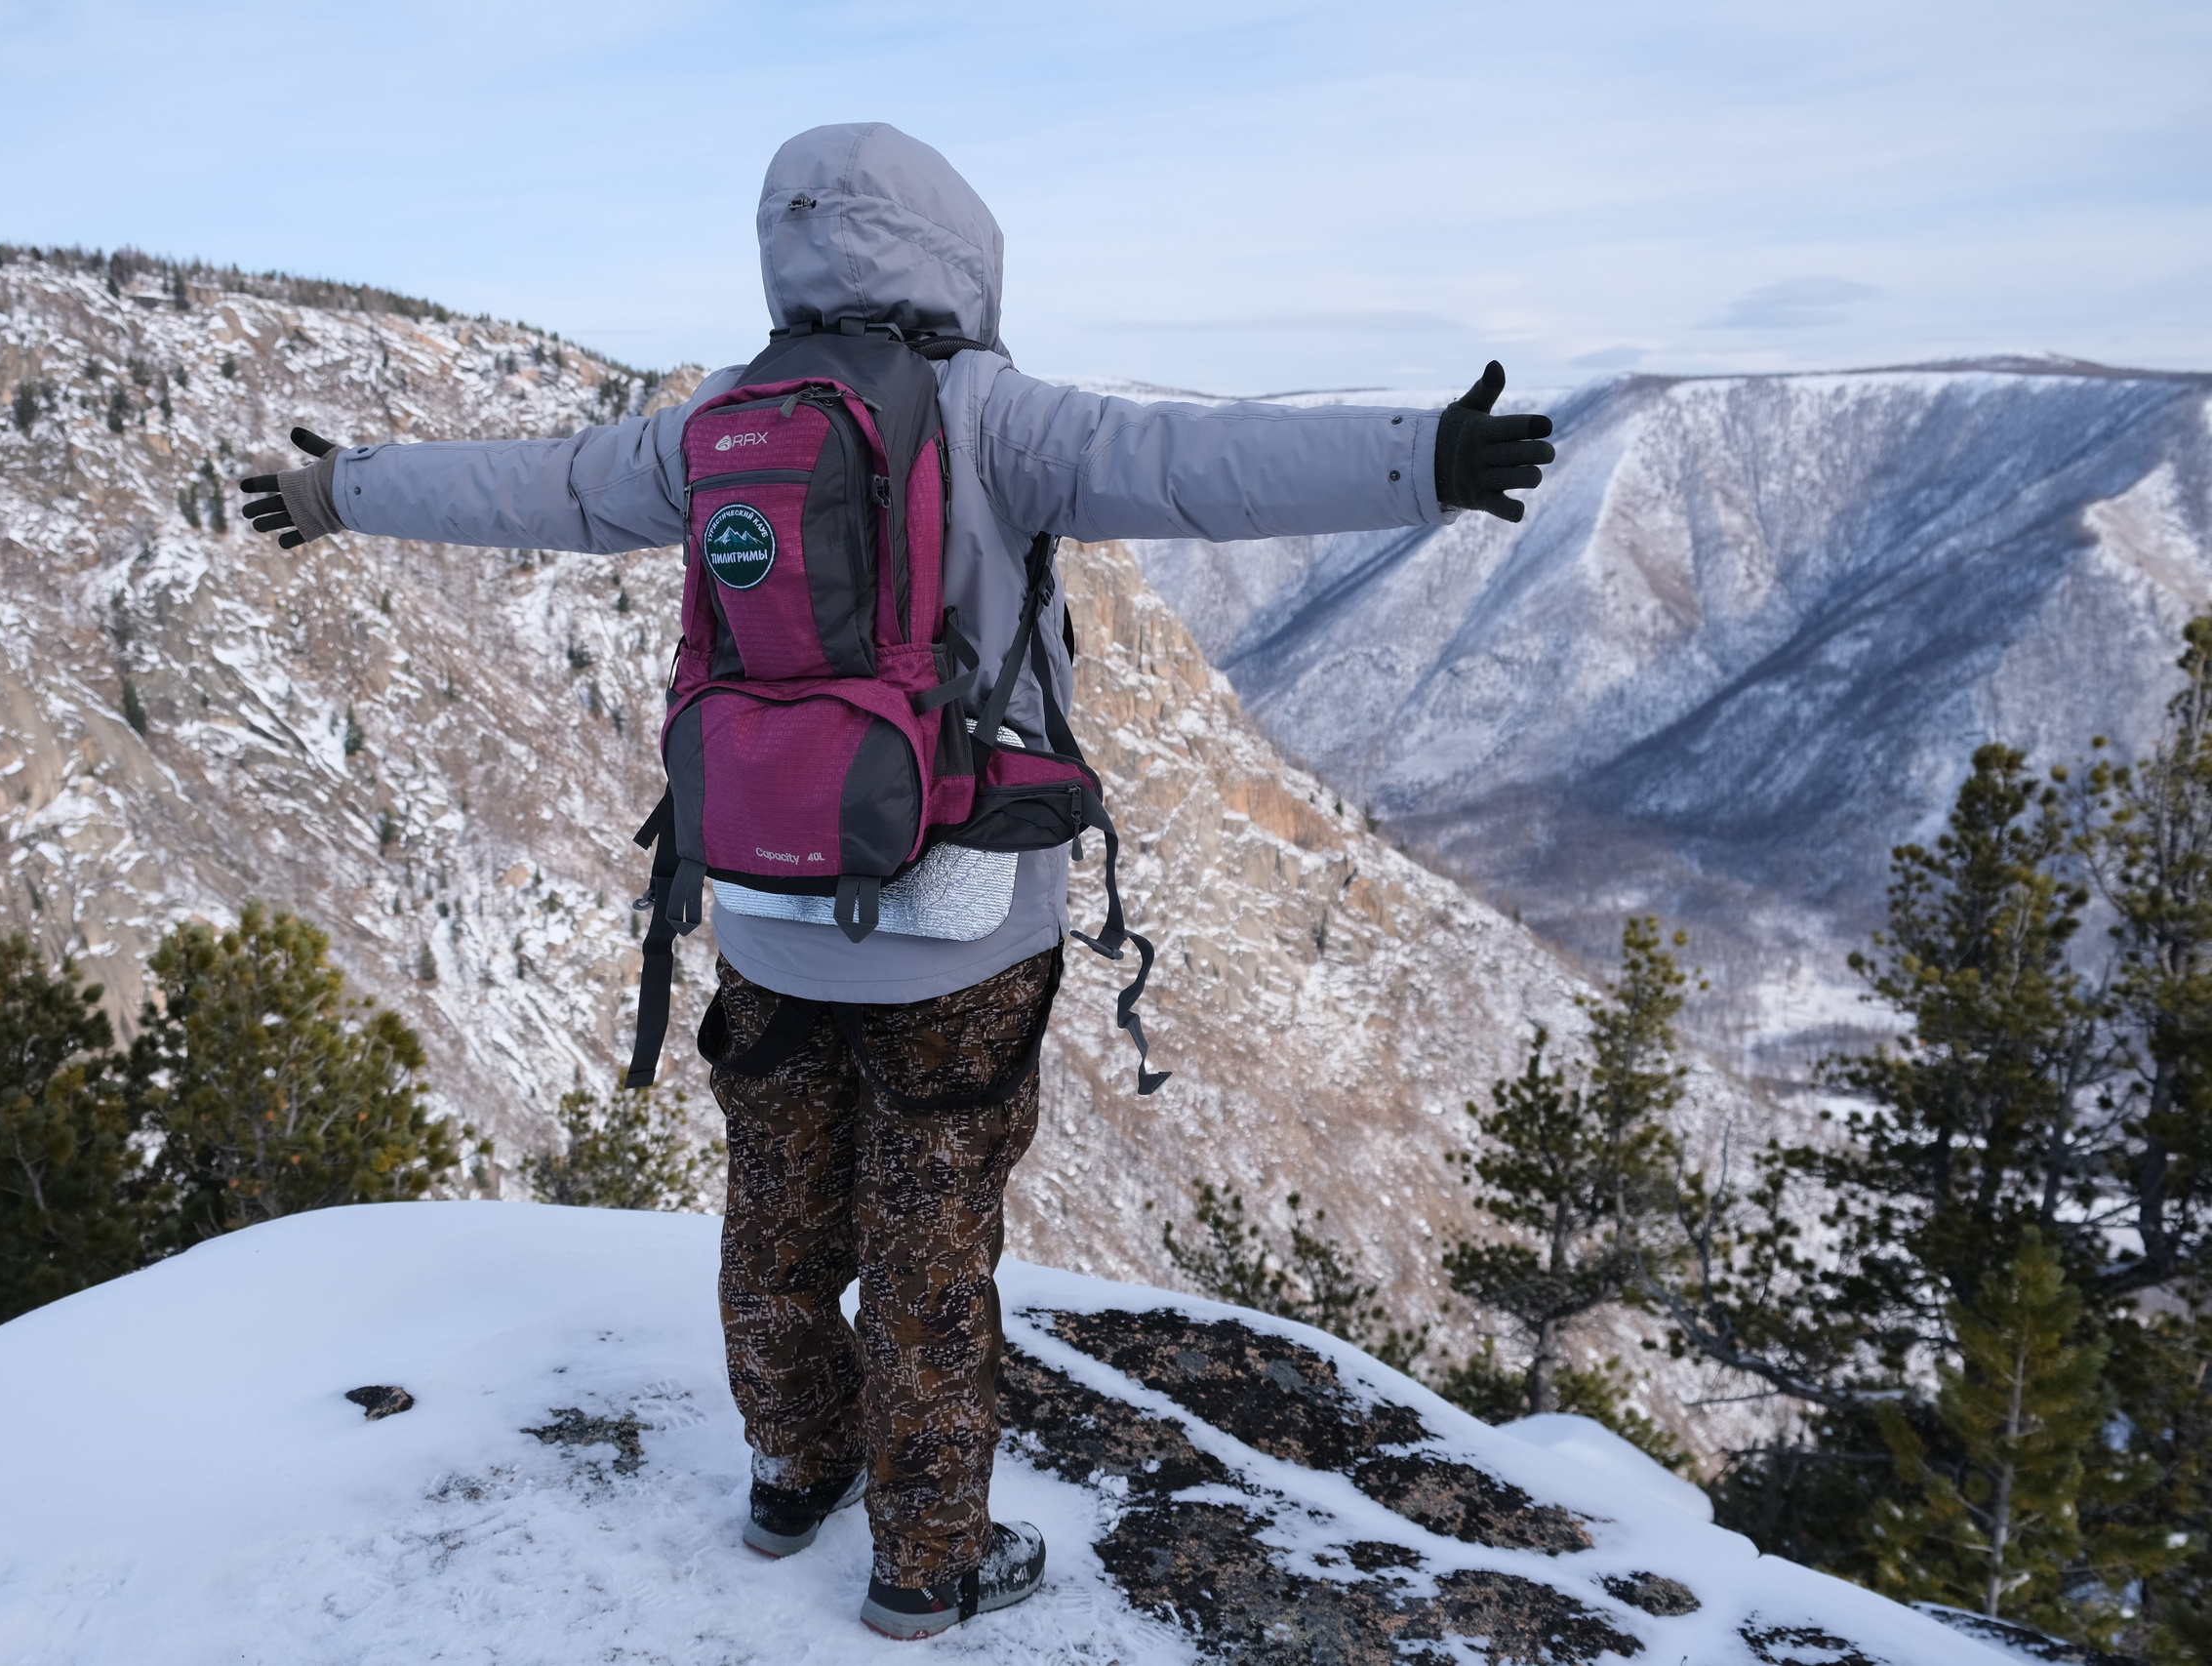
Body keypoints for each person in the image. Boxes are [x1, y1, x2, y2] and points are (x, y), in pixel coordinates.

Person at [240, 121, 1553, 1640]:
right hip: (960, 919)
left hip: (770, 899)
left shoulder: (717, 422)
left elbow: (534, 487)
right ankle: (929, 1561)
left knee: (776, 1205)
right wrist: (1424, 462)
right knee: (933, 1243)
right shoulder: (994, 415)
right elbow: (1197, 469)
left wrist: (342, 492)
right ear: (957, 249)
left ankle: (795, 1469)